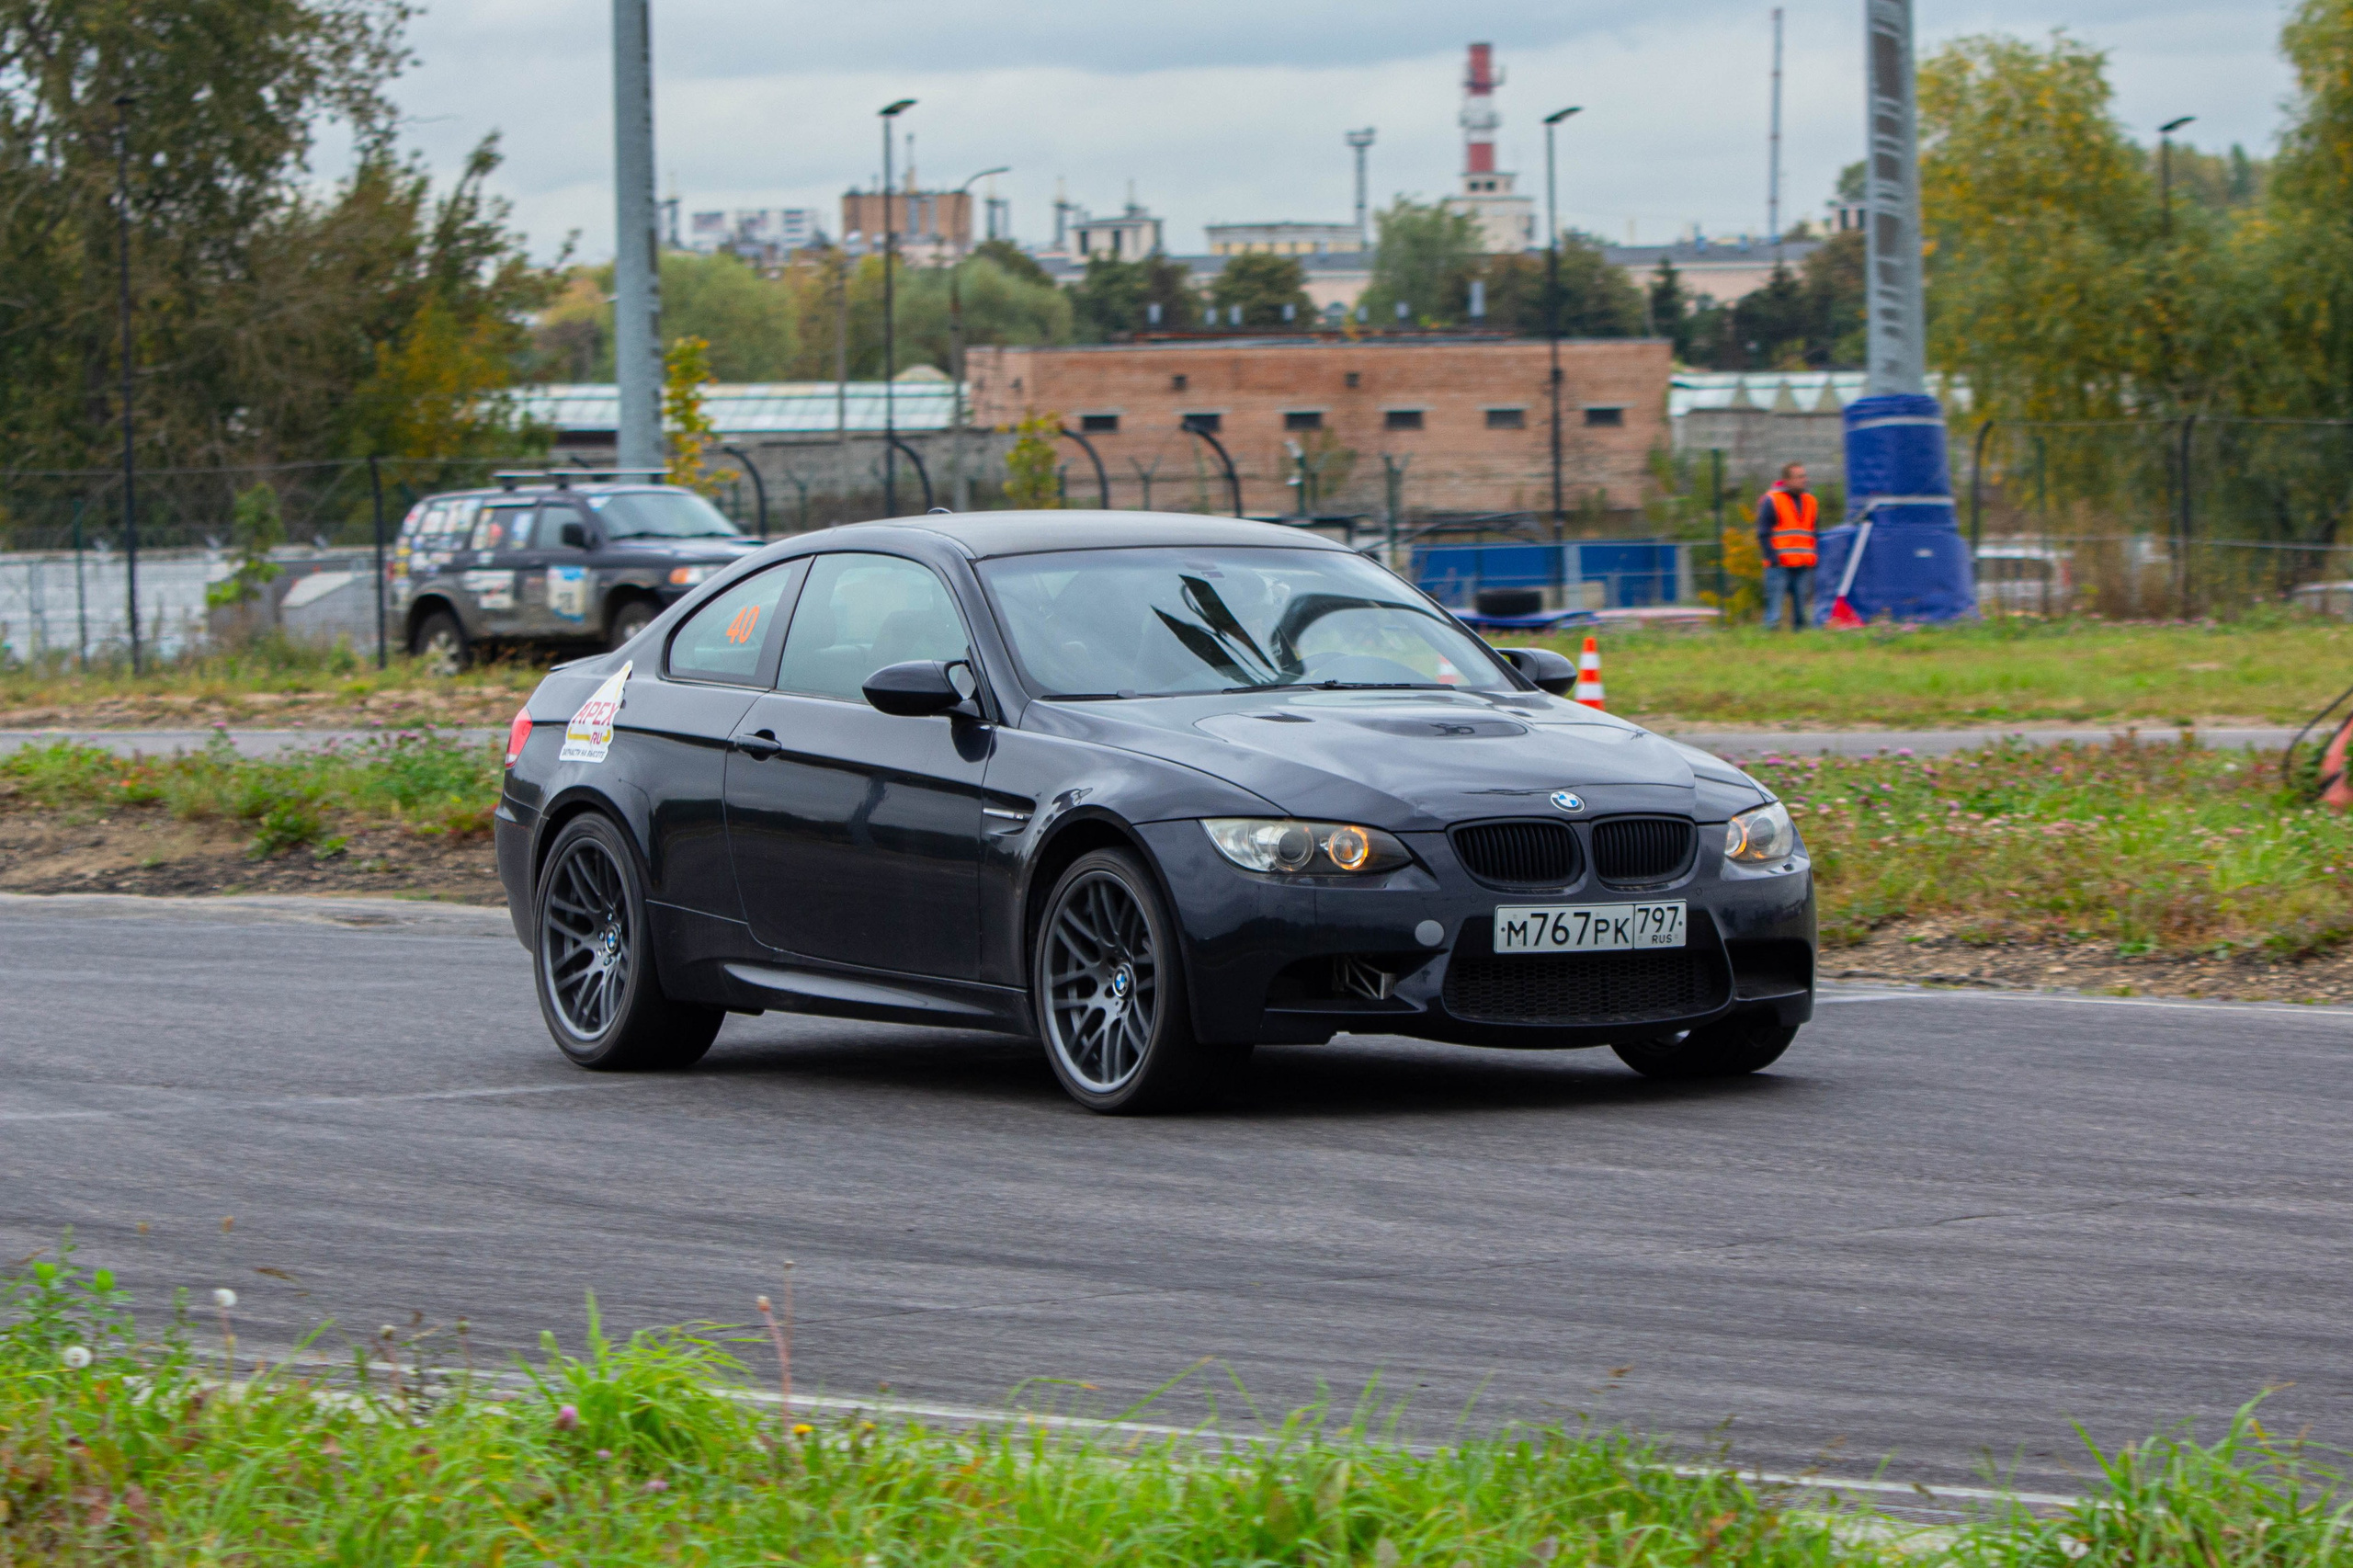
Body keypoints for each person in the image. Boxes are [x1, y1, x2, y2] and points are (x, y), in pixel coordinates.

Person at [1755, 461, 1819, 630]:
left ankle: (1801, 644)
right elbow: (1763, 533)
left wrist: (1814, 557)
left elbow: (1814, 533)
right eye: (1799, 477)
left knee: (1801, 614)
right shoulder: (1772, 500)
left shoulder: (1811, 501)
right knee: (1774, 612)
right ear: (1786, 481)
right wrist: (1772, 558)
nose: (1804, 480)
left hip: (1804, 564)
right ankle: (1770, 640)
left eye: (1804, 476)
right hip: (1779, 564)